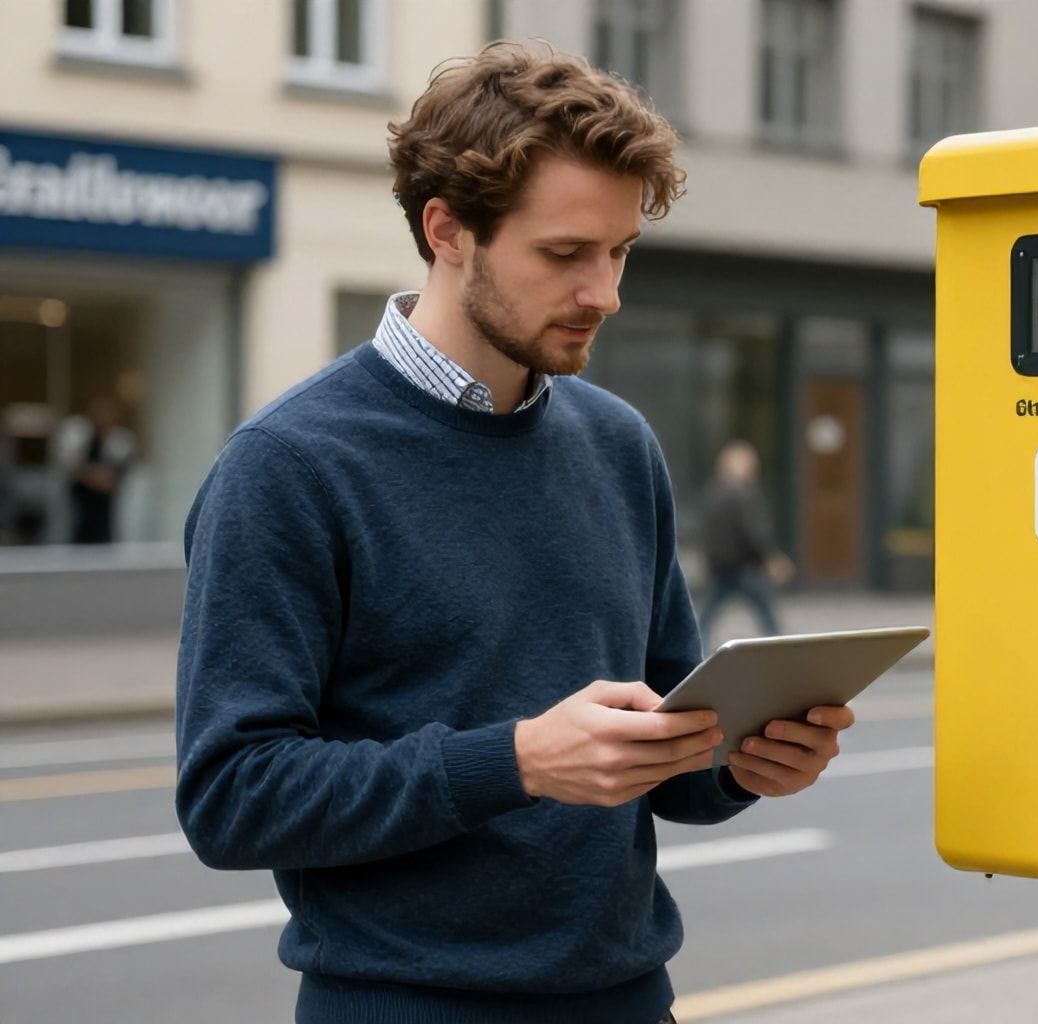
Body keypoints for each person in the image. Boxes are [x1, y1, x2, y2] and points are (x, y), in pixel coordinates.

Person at [174, 44, 854, 1024]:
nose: (605, 292)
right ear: (447, 229)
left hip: (629, 999)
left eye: (619, 251)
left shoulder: (619, 444)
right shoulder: (287, 465)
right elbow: (232, 796)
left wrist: (745, 764)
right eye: (565, 254)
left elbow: (671, 747)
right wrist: (519, 760)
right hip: (405, 1006)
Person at [698, 439, 793, 645]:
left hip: (721, 566)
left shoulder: (714, 492)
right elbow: (753, 531)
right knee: (767, 615)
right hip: (744, 566)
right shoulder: (743, 493)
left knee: (708, 615)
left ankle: (697, 649)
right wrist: (769, 557)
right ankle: (781, 648)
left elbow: (708, 531)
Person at [56, 395, 136, 544]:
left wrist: (91, 475)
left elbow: (113, 479)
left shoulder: (120, 440)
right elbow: (73, 469)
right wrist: (93, 476)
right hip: (79, 501)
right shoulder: (77, 433)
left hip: (105, 506)